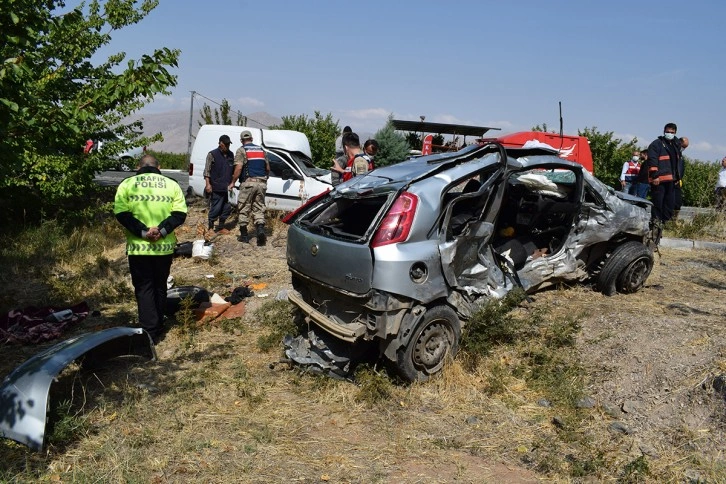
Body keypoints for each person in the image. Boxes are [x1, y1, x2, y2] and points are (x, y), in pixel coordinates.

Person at [114, 154, 188, 343]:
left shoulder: (127, 184)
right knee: (160, 285)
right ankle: (159, 323)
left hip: (139, 248)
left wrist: (144, 232)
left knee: (144, 287)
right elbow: (179, 214)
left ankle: (150, 331)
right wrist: (161, 231)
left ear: (138, 167)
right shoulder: (171, 184)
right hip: (163, 247)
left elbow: (122, 214)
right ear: (159, 167)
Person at [230, 130, 271, 245]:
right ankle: (260, 231)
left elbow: (238, 168)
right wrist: (264, 179)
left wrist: (233, 182)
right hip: (261, 183)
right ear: (252, 139)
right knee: (259, 208)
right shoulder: (262, 150)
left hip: (248, 183)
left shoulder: (241, 150)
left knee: (243, 208)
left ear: (242, 140)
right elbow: (267, 168)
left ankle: (244, 236)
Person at [647, 123, 679, 222]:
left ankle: (664, 223)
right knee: (658, 203)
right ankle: (655, 223)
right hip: (659, 180)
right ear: (664, 131)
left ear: (675, 132)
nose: (669, 134)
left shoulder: (675, 145)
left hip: (671, 180)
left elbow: (677, 163)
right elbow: (652, 160)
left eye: (672, 132)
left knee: (669, 204)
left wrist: (678, 177)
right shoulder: (656, 144)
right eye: (667, 132)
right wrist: (655, 176)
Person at [203, 135, 234, 232]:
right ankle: (211, 227)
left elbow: (232, 170)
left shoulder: (231, 155)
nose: (228, 146)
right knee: (216, 207)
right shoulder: (212, 154)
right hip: (216, 186)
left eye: (229, 144)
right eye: (226, 144)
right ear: (220, 144)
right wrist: (208, 184)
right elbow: (207, 171)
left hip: (226, 187)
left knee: (226, 208)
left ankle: (221, 226)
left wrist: (232, 183)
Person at [673, 136, 688, 218]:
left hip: (677, 181)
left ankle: (674, 220)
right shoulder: (673, 152)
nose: (683, 149)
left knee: (677, 202)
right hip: (671, 180)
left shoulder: (680, 155)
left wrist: (679, 178)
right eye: (683, 147)